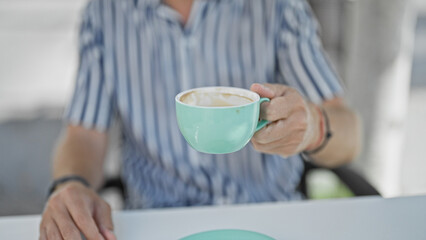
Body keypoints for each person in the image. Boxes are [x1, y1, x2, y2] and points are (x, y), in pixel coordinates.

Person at [39, 0, 361, 239]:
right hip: (159, 225)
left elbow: (350, 133)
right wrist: (71, 185)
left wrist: (314, 127)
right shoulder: (105, 13)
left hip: (267, 218)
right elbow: (83, 135)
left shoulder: (277, 6)